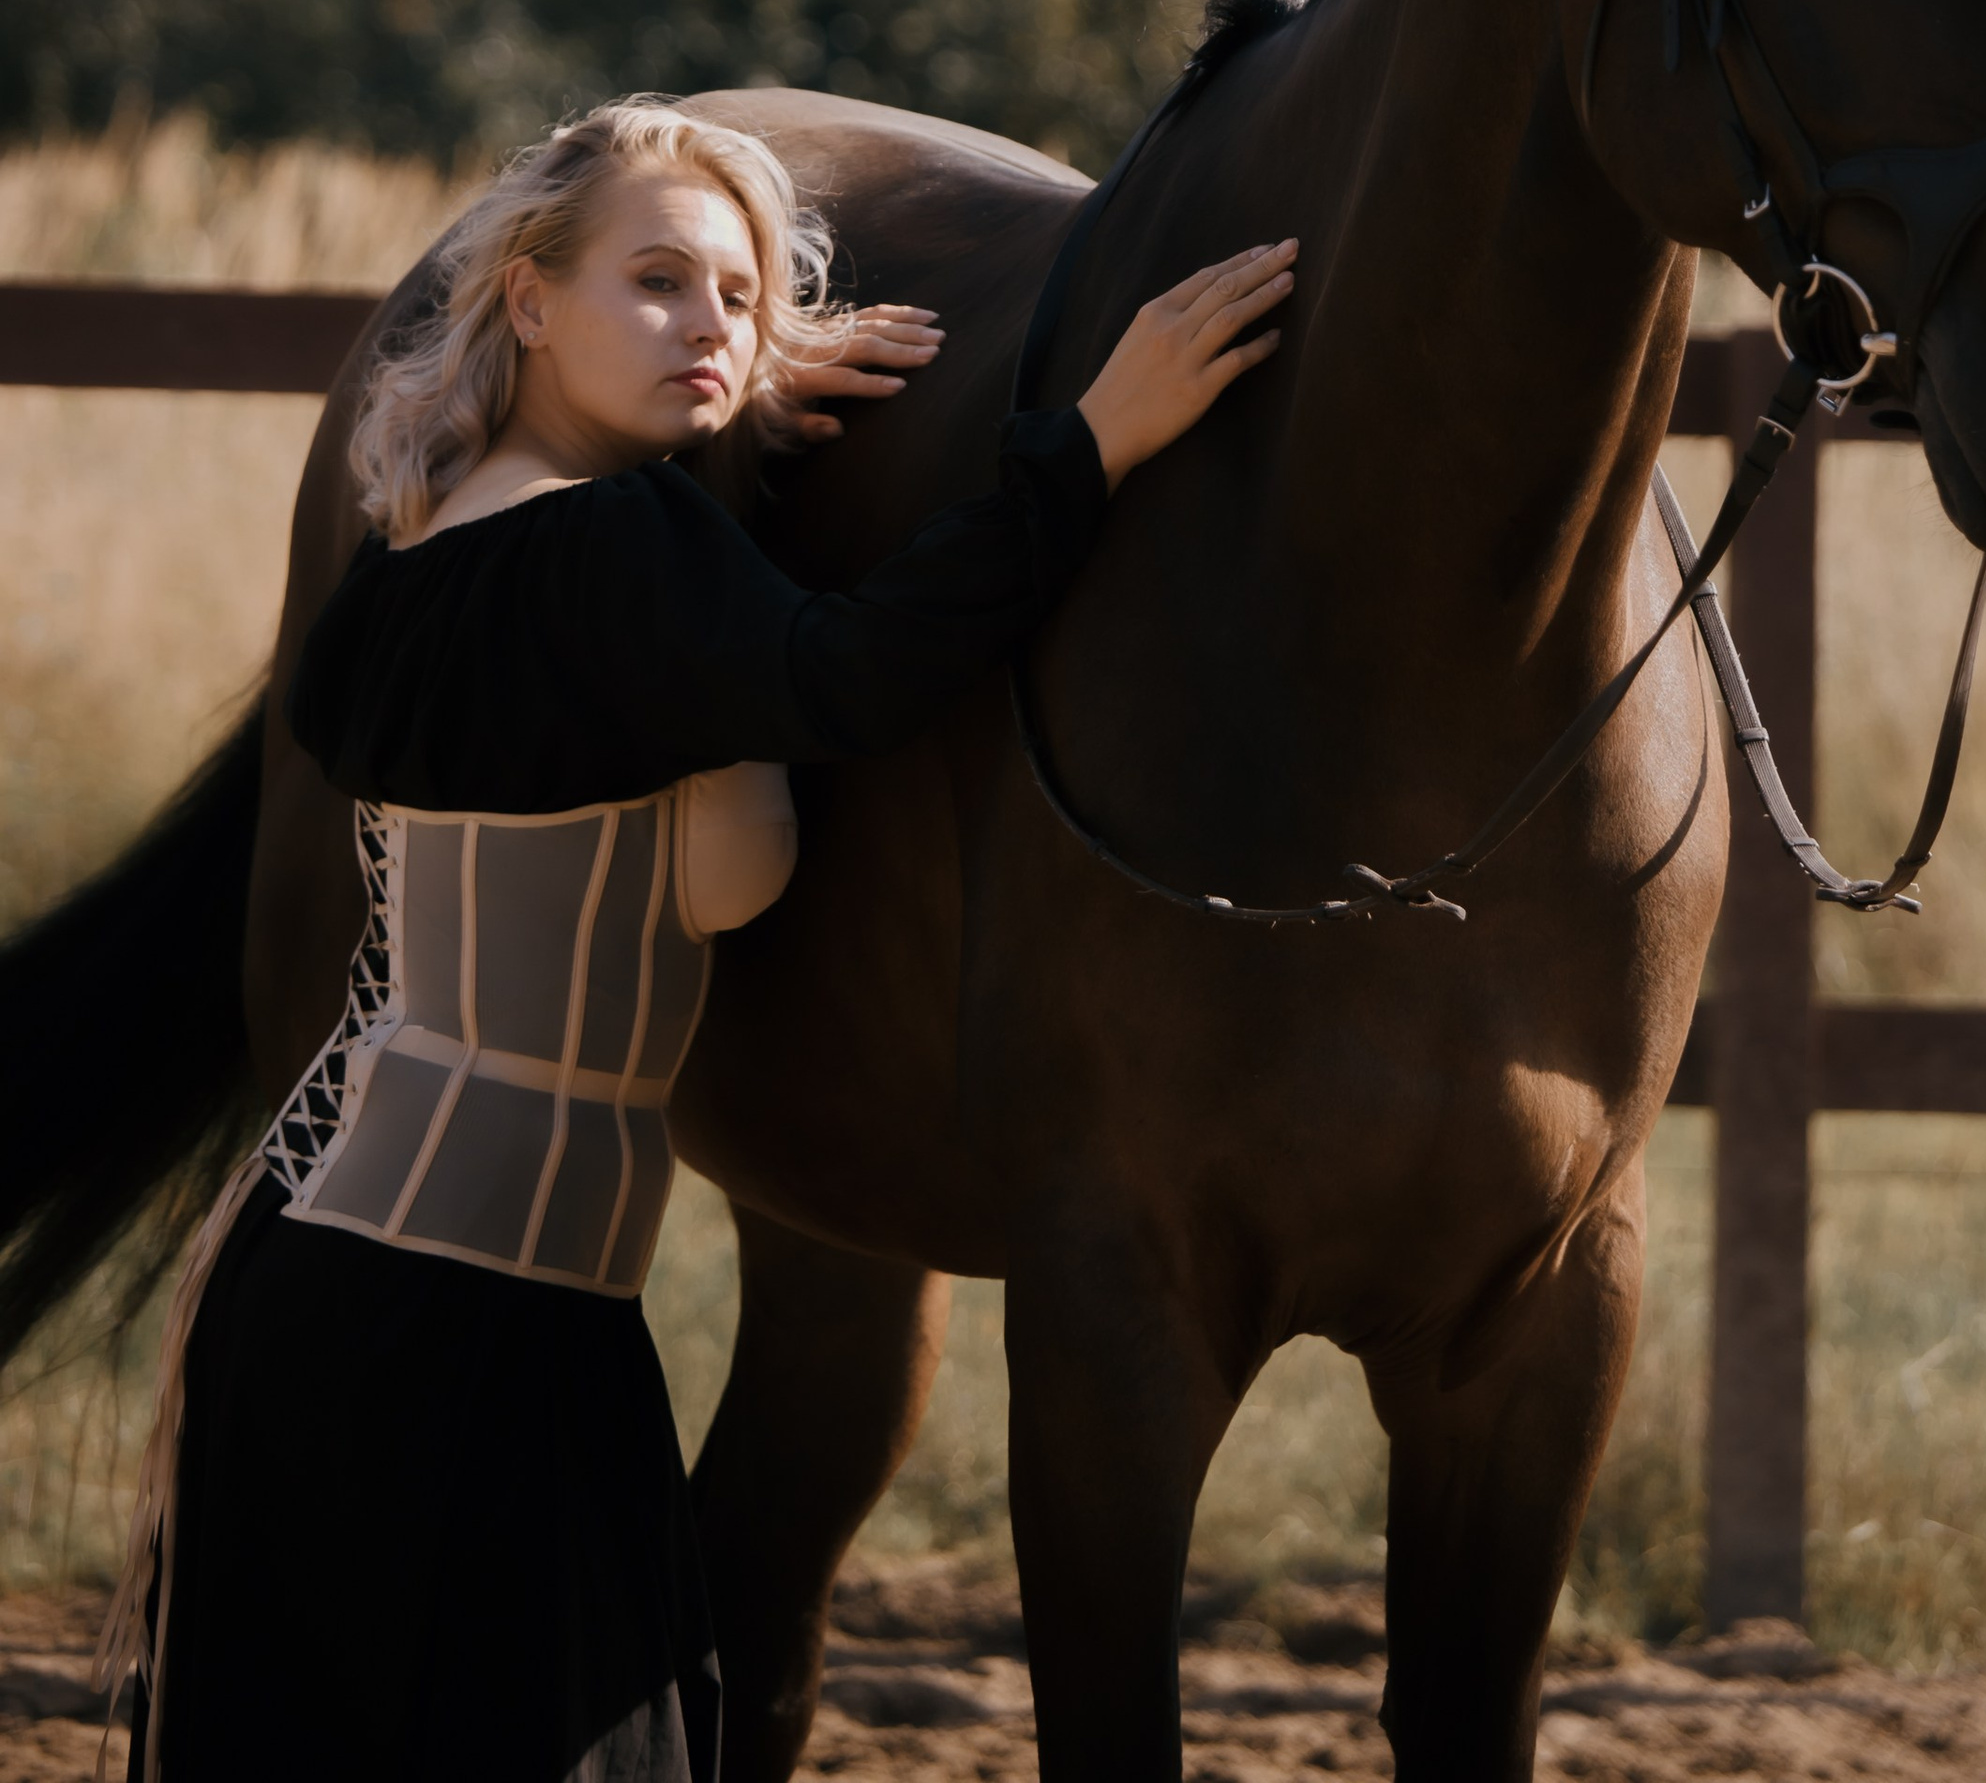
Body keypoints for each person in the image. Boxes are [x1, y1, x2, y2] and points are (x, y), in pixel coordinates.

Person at [102, 96, 1295, 1783]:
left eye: (739, 300)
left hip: (355, 1294)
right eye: (656, 283)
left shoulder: (430, 537)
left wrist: (715, 401)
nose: (712, 327)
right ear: (526, 297)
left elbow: (697, 784)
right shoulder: (619, 550)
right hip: (456, 1336)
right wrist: (1094, 439)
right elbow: (854, 674)